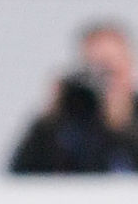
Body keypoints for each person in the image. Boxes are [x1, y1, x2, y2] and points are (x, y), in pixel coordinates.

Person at [11, 22, 138, 173]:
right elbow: (22, 172)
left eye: (110, 68)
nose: (104, 79)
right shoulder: (67, 117)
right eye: (95, 68)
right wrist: (52, 120)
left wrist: (122, 126)